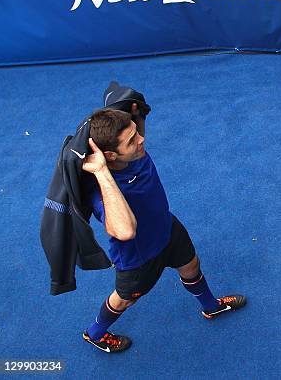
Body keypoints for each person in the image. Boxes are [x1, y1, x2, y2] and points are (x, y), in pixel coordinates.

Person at [80, 104, 246, 353]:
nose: (142, 139)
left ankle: (210, 306)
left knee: (191, 265)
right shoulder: (103, 193)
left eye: (136, 132)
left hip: (167, 228)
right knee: (124, 299)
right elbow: (124, 231)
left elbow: (135, 133)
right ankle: (94, 333)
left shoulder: (134, 153)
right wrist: (102, 172)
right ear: (110, 156)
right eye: (132, 139)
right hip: (139, 257)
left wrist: (137, 114)